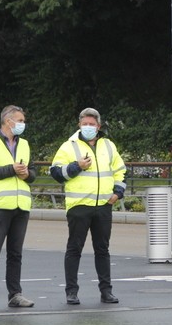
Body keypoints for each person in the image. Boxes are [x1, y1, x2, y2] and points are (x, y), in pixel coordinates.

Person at [50, 107, 126, 305]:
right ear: (79, 125)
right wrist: (77, 166)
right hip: (79, 205)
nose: (88, 127)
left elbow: (120, 170)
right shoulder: (68, 146)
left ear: (98, 126)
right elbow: (56, 172)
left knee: (103, 250)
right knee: (74, 249)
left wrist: (117, 192)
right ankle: (71, 292)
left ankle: (106, 291)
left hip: (103, 205)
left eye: (92, 124)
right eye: (85, 124)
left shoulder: (108, 145)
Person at [0, 106, 36, 310]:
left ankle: (15, 294)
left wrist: (26, 174)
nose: (22, 124)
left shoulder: (25, 144)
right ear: (7, 121)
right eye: (19, 120)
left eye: (23, 120)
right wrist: (11, 170)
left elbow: (33, 173)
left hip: (21, 205)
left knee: (16, 253)